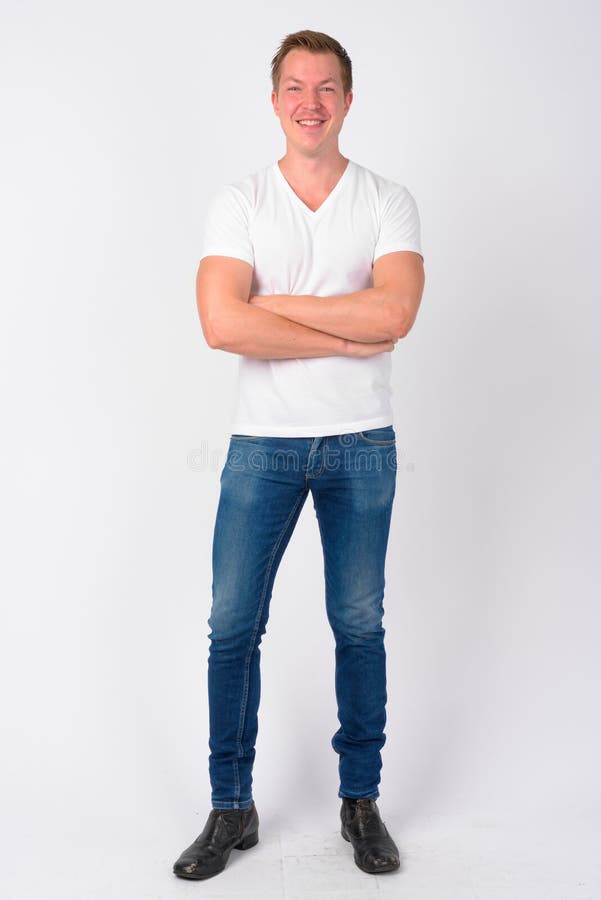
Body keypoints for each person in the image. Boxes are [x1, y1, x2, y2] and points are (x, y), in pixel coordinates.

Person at [173, 29, 425, 881]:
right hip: (261, 448)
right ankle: (228, 807)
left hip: (361, 444)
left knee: (358, 626)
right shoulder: (238, 200)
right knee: (230, 627)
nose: (309, 102)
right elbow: (221, 323)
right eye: (293, 87)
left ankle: (360, 801)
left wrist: (274, 307)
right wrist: (338, 321)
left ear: (347, 101)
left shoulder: (387, 200)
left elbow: (394, 315)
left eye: (325, 88)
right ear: (274, 99)